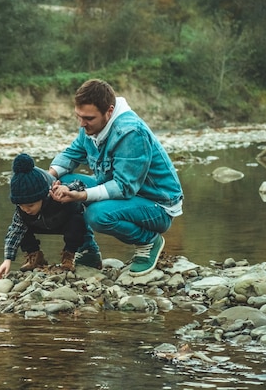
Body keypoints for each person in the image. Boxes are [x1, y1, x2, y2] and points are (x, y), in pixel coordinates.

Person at [48, 78, 184, 277]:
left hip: (156, 205)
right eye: (79, 116)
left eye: (88, 118)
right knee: (62, 184)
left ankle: (148, 241)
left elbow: (124, 188)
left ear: (109, 111)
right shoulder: (90, 125)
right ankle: (89, 251)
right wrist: (49, 178)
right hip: (124, 195)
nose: (82, 123)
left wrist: (81, 195)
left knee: (97, 214)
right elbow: (72, 153)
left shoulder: (130, 132)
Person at [0, 153, 101, 279]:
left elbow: (80, 185)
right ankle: (35, 256)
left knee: (77, 221)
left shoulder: (55, 191)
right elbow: (14, 233)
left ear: (42, 197)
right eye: (21, 205)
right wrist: (7, 259)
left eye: (30, 205)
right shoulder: (22, 210)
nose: (26, 209)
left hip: (65, 222)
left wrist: (67, 188)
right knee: (20, 229)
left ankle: (69, 256)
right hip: (40, 224)